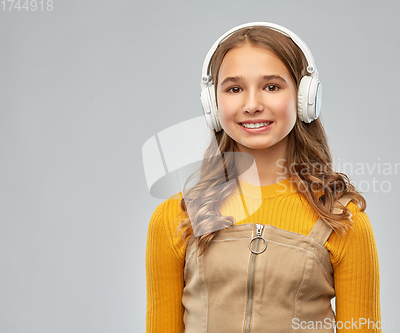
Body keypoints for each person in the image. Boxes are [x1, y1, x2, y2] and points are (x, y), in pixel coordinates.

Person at [146, 22, 381, 332]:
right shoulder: (176, 218)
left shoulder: (341, 220)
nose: (253, 105)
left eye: (272, 86)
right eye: (234, 88)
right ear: (213, 105)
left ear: (304, 98)